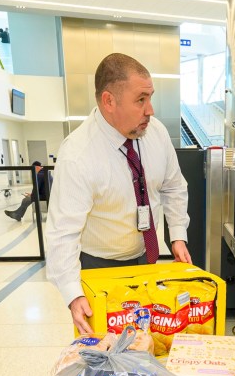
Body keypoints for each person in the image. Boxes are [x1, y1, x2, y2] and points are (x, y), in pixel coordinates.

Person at [46, 53, 191, 334]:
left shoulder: (156, 134)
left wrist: (177, 235)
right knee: (106, 350)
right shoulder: (78, 155)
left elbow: (174, 186)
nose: (150, 110)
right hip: (98, 265)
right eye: (141, 99)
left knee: (146, 339)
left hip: (145, 257)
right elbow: (63, 232)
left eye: (151, 97)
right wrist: (72, 294)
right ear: (109, 101)